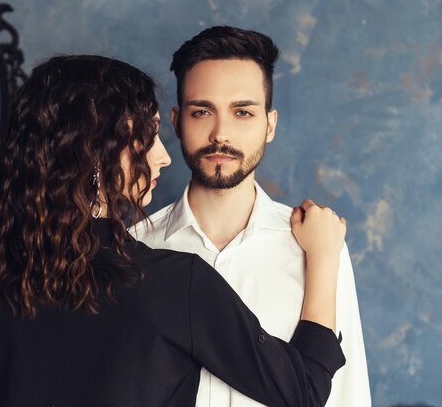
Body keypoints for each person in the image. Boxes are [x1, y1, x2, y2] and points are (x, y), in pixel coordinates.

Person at [0, 55, 348, 407]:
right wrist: (325, 256)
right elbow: (304, 391)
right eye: (147, 138)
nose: (162, 156)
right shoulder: (174, 284)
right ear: (95, 153)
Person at [131, 26, 371, 407]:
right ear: (176, 122)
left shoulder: (318, 249)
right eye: (201, 111)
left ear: (270, 125)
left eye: (242, 112)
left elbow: (347, 396)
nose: (220, 133)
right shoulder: (134, 247)